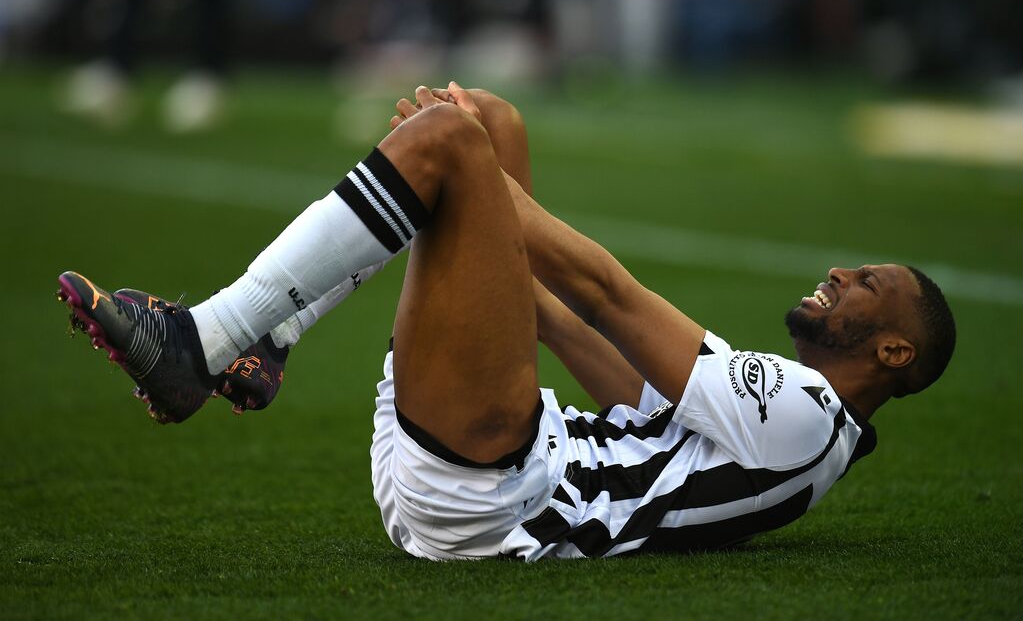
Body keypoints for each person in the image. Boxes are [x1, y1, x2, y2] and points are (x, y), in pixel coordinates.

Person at [57, 84, 955, 560]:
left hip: (494, 493)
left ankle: (201, 345)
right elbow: (592, 348)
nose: (840, 273)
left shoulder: (801, 411)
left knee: (452, 139)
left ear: (892, 351)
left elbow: (609, 296)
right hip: (495, 465)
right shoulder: (798, 423)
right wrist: (470, 184)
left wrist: (467, 177)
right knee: (485, 118)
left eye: (867, 282)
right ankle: (266, 342)